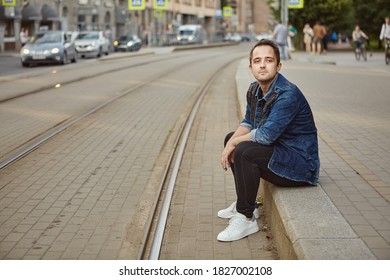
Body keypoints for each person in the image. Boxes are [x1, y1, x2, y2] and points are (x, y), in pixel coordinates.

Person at [217, 39, 320, 242]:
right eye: (257, 60)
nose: (262, 65)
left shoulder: (288, 94)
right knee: (232, 138)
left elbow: (266, 136)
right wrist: (231, 142)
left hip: (300, 165)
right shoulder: (254, 90)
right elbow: (248, 121)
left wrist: (234, 145)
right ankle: (246, 204)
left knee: (244, 150)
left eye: (268, 60)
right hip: (281, 151)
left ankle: (246, 218)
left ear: (278, 66)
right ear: (251, 67)